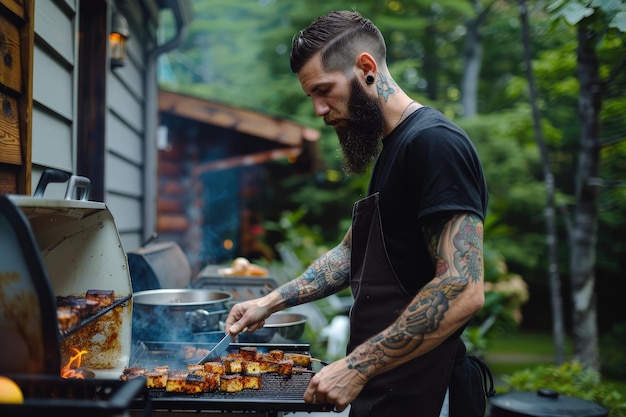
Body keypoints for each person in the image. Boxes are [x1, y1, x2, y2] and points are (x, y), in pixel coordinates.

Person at [225, 10, 492, 417]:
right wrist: (270, 302)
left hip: (428, 393)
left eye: (324, 90)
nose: (318, 109)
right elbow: (352, 254)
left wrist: (355, 366)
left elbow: (463, 288)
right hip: (388, 391)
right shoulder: (394, 149)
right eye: (311, 96)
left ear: (366, 68)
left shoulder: (435, 144)